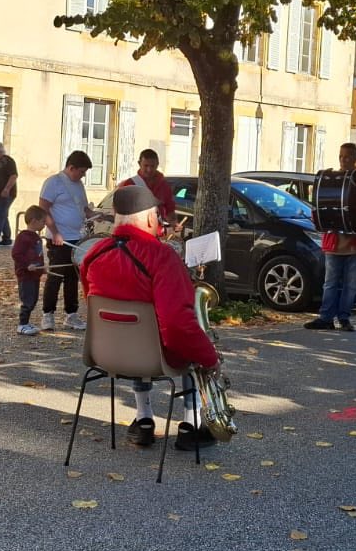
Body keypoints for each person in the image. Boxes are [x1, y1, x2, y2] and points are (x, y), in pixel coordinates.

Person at [79, 182, 220, 451]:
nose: (159, 222)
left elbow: (93, 305)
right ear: (147, 217)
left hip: (105, 355)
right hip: (154, 358)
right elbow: (178, 326)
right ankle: (190, 424)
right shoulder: (162, 257)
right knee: (189, 340)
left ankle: (143, 419)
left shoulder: (93, 255)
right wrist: (209, 357)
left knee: (136, 327)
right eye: (157, 215)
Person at [304, 142, 356, 331]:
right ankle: (326, 318)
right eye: (341, 156)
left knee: (350, 285)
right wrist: (318, 221)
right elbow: (319, 206)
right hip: (333, 242)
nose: (343, 160)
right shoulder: (331, 179)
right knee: (330, 283)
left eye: (347, 157)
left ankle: (344, 318)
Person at [39, 150, 94, 331]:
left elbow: (84, 209)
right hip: (59, 239)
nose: (83, 175)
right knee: (55, 276)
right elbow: (43, 209)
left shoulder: (78, 185)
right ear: (71, 168)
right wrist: (55, 232)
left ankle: (71, 314)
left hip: (76, 238)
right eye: (81, 171)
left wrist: (96, 216)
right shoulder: (53, 183)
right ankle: (48, 314)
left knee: (72, 277)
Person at [117, 148, 178, 235]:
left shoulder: (164, 185)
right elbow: (120, 211)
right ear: (139, 164)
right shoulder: (130, 184)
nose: (149, 170)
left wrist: (174, 224)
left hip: (157, 234)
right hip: (135, 233)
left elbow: (170, 210)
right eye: (146, 166)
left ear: (157, 165)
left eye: (152, 166)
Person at [12, 205, 47, 335]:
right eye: (43, 221)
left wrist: (42, 268)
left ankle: (26, 323)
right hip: (25, 275)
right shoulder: (23, 237)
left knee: (33, 299)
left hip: (34, 275)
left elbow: (38, 256)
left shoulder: (37, 237)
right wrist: (27, 265)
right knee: (27, 300)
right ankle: (22, 325)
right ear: (34, 221)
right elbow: (16, 254)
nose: (44, 224)